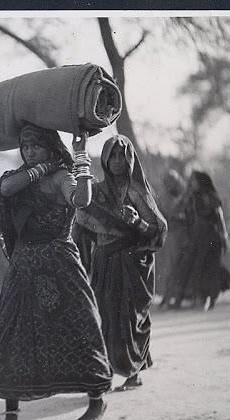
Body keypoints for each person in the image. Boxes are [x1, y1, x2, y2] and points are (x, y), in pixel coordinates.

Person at [0, 124, 113, 420]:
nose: (29, 151)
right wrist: (40, 168)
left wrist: (81, 157)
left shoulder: (63, 177)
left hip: (60, 264)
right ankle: (11, 417)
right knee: (12, 333)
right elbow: (4, 191)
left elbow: (81, 200)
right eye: (26, 146)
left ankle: (97, 399)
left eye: (36, 146)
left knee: (81, 326)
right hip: (24, 267)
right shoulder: (19, 178)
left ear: (50, 146)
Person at [74, 135, 167, 392]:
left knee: (129, 319)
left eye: (121, 156)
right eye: (112, 155)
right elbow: (83, 224)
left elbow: (157, 230)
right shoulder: (98, 191)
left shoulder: (136, 191)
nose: (117, 161)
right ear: (104, 159)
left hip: (131, 263)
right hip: (104, 261)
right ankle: (105, 372)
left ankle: (132, 372)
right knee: (104, 316)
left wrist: (137, 222)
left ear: (130, 159)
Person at [174, 171, 230, 310]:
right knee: (195, 266)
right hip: (196, 236)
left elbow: (219, 217)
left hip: (211, 235)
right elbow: (179, 210)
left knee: (211, 266)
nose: (191, 183)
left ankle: (210, 299)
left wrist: (224, 235)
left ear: (201, 181)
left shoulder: (210, 196)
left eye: (193, 181)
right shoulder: (191, 197)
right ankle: (196, 297)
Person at [157, 169, 190, 309]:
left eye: (173, 181)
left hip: (183, 235)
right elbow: (168, 214)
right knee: (170, 267)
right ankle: (167, 296)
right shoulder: (164, 198)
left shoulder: (182, 196)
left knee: (180, 266)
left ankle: (177, 297)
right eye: (169, 181)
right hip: (171, 235)